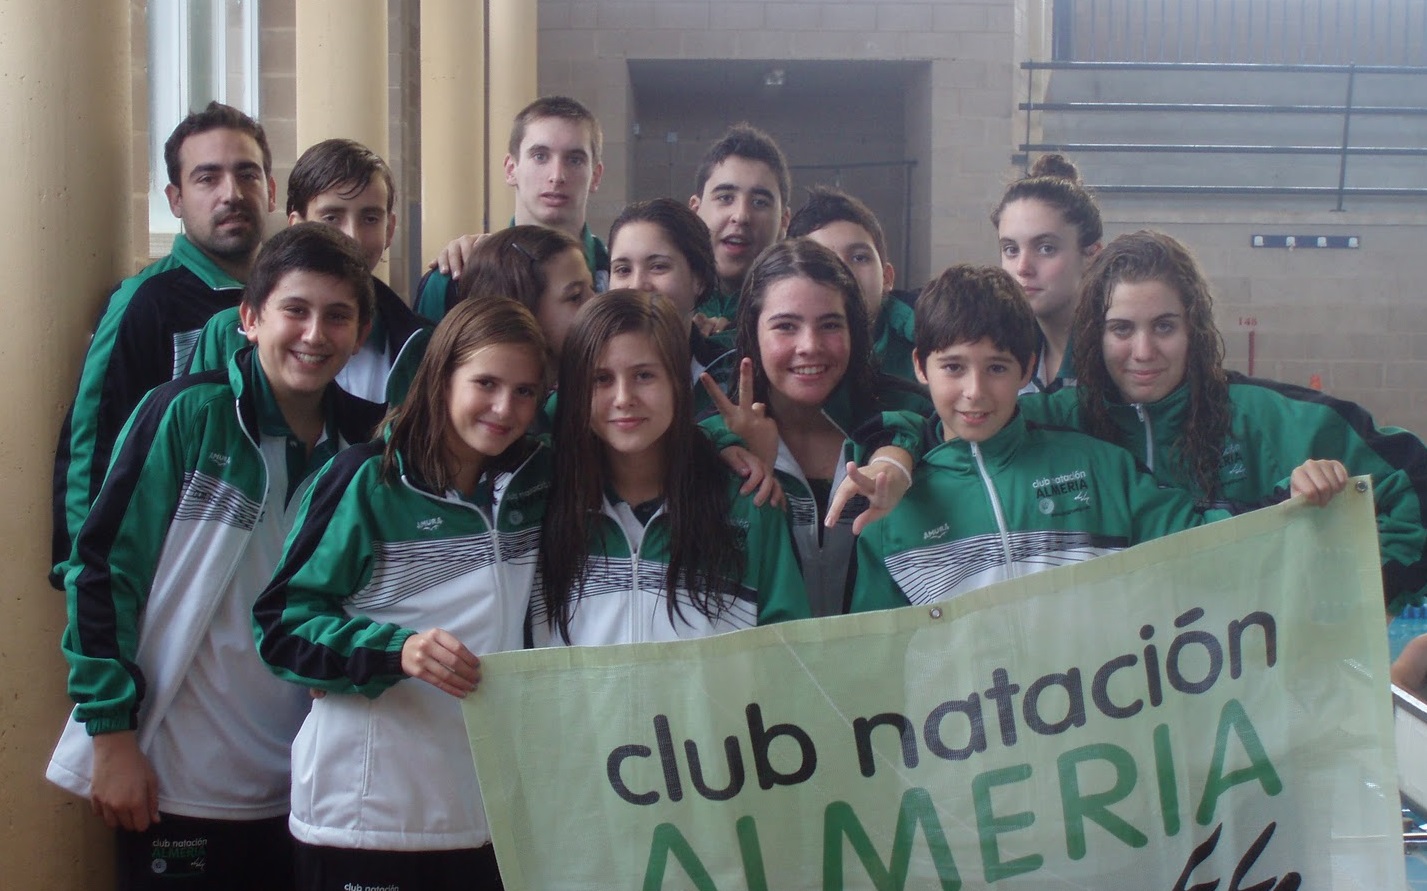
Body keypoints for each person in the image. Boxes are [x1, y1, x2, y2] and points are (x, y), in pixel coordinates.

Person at [46, 223, 383, 890]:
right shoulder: (185, 415)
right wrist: (111, 735)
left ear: (360, 332)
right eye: (295, 310)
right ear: (250, 319)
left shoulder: (367, 445)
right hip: (177, 781)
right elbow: (103, 571)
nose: (315, 333)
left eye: (337, 316)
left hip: (312, 786)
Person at [251, 296, 549, 890]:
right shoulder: (368, 479)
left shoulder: (536, 483)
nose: (504, 408)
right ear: (442, 378)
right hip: (365, 816)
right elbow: (281, 627)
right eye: (486, 383)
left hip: (485, 817)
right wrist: (398, 650)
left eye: (524, 391)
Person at [851, 264, 1347, 611]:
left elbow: (1202, 544)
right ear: (920, 367)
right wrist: (893, 459)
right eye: (953, 368)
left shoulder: (1097, 465)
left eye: (997, 368)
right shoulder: (892, 509)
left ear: (1026, 368)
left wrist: (1292, 502)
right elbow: (873, 659)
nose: (975, 392)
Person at [1020, 229, 1427, 613]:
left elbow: (1414, 480)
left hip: (1246, 654)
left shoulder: (1267, 416)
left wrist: (1353, 599)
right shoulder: (1055, 422)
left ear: (1193, 330)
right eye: (1121, 329)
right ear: (1096, 335)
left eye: (1164, 326)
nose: (1143, 351)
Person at [51, 100, 277, 588]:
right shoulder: (144, 303)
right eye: (207, 178)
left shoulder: (294, 303)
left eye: (247, 174)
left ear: (271, 190)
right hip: (168, 573)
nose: (231, 193)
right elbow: (93, 441)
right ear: (175, 200)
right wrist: (84, 576)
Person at [531, 290, 807, 646]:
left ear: (677, 382)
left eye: (644, 375)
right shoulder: (540, 498)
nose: (623, 398)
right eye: (601, 379)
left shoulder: (748, 502)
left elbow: (790, 652)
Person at [706, 238, 929, 617]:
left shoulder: (910, 420)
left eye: (829, 325)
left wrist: (897, 460)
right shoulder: (714, 443)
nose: (809, 345)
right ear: (752, 331)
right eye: (786, 326)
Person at [189, 138, 432, 405]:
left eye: (370, 218)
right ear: (297, 225)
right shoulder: (228, 332)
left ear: (389, 229)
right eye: (331, 217)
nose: (352, 236)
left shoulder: (421, 344)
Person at [416, 95, 609, 320]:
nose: (557, 176)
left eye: (574, 160)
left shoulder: (620, 276)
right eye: (540, 156)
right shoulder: (455, 279)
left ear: (595, 176)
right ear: (510, 169)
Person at [607, 197, 737, 408]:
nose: (637, 285)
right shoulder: (587, 373)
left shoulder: (732, 375)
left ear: (699, 279)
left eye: (658, 266)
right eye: (623, 270)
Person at [786, 185, 920, 385]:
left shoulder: (933, 346)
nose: (843, 272)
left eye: (859, 258)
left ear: (887, 278)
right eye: (822, 259)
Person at [992, 154, 1103, 394]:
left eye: (1046, 248)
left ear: (1091, 255)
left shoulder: (1124, 359)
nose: (1022, 267)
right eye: (1011, 249)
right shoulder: (999, 352)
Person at [688, 123, 792, 334]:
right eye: (726, 198)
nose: (741, 216)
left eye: (760, 202)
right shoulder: (665, 304)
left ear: (784, 221)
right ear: (695, 211)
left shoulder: (803, 314)